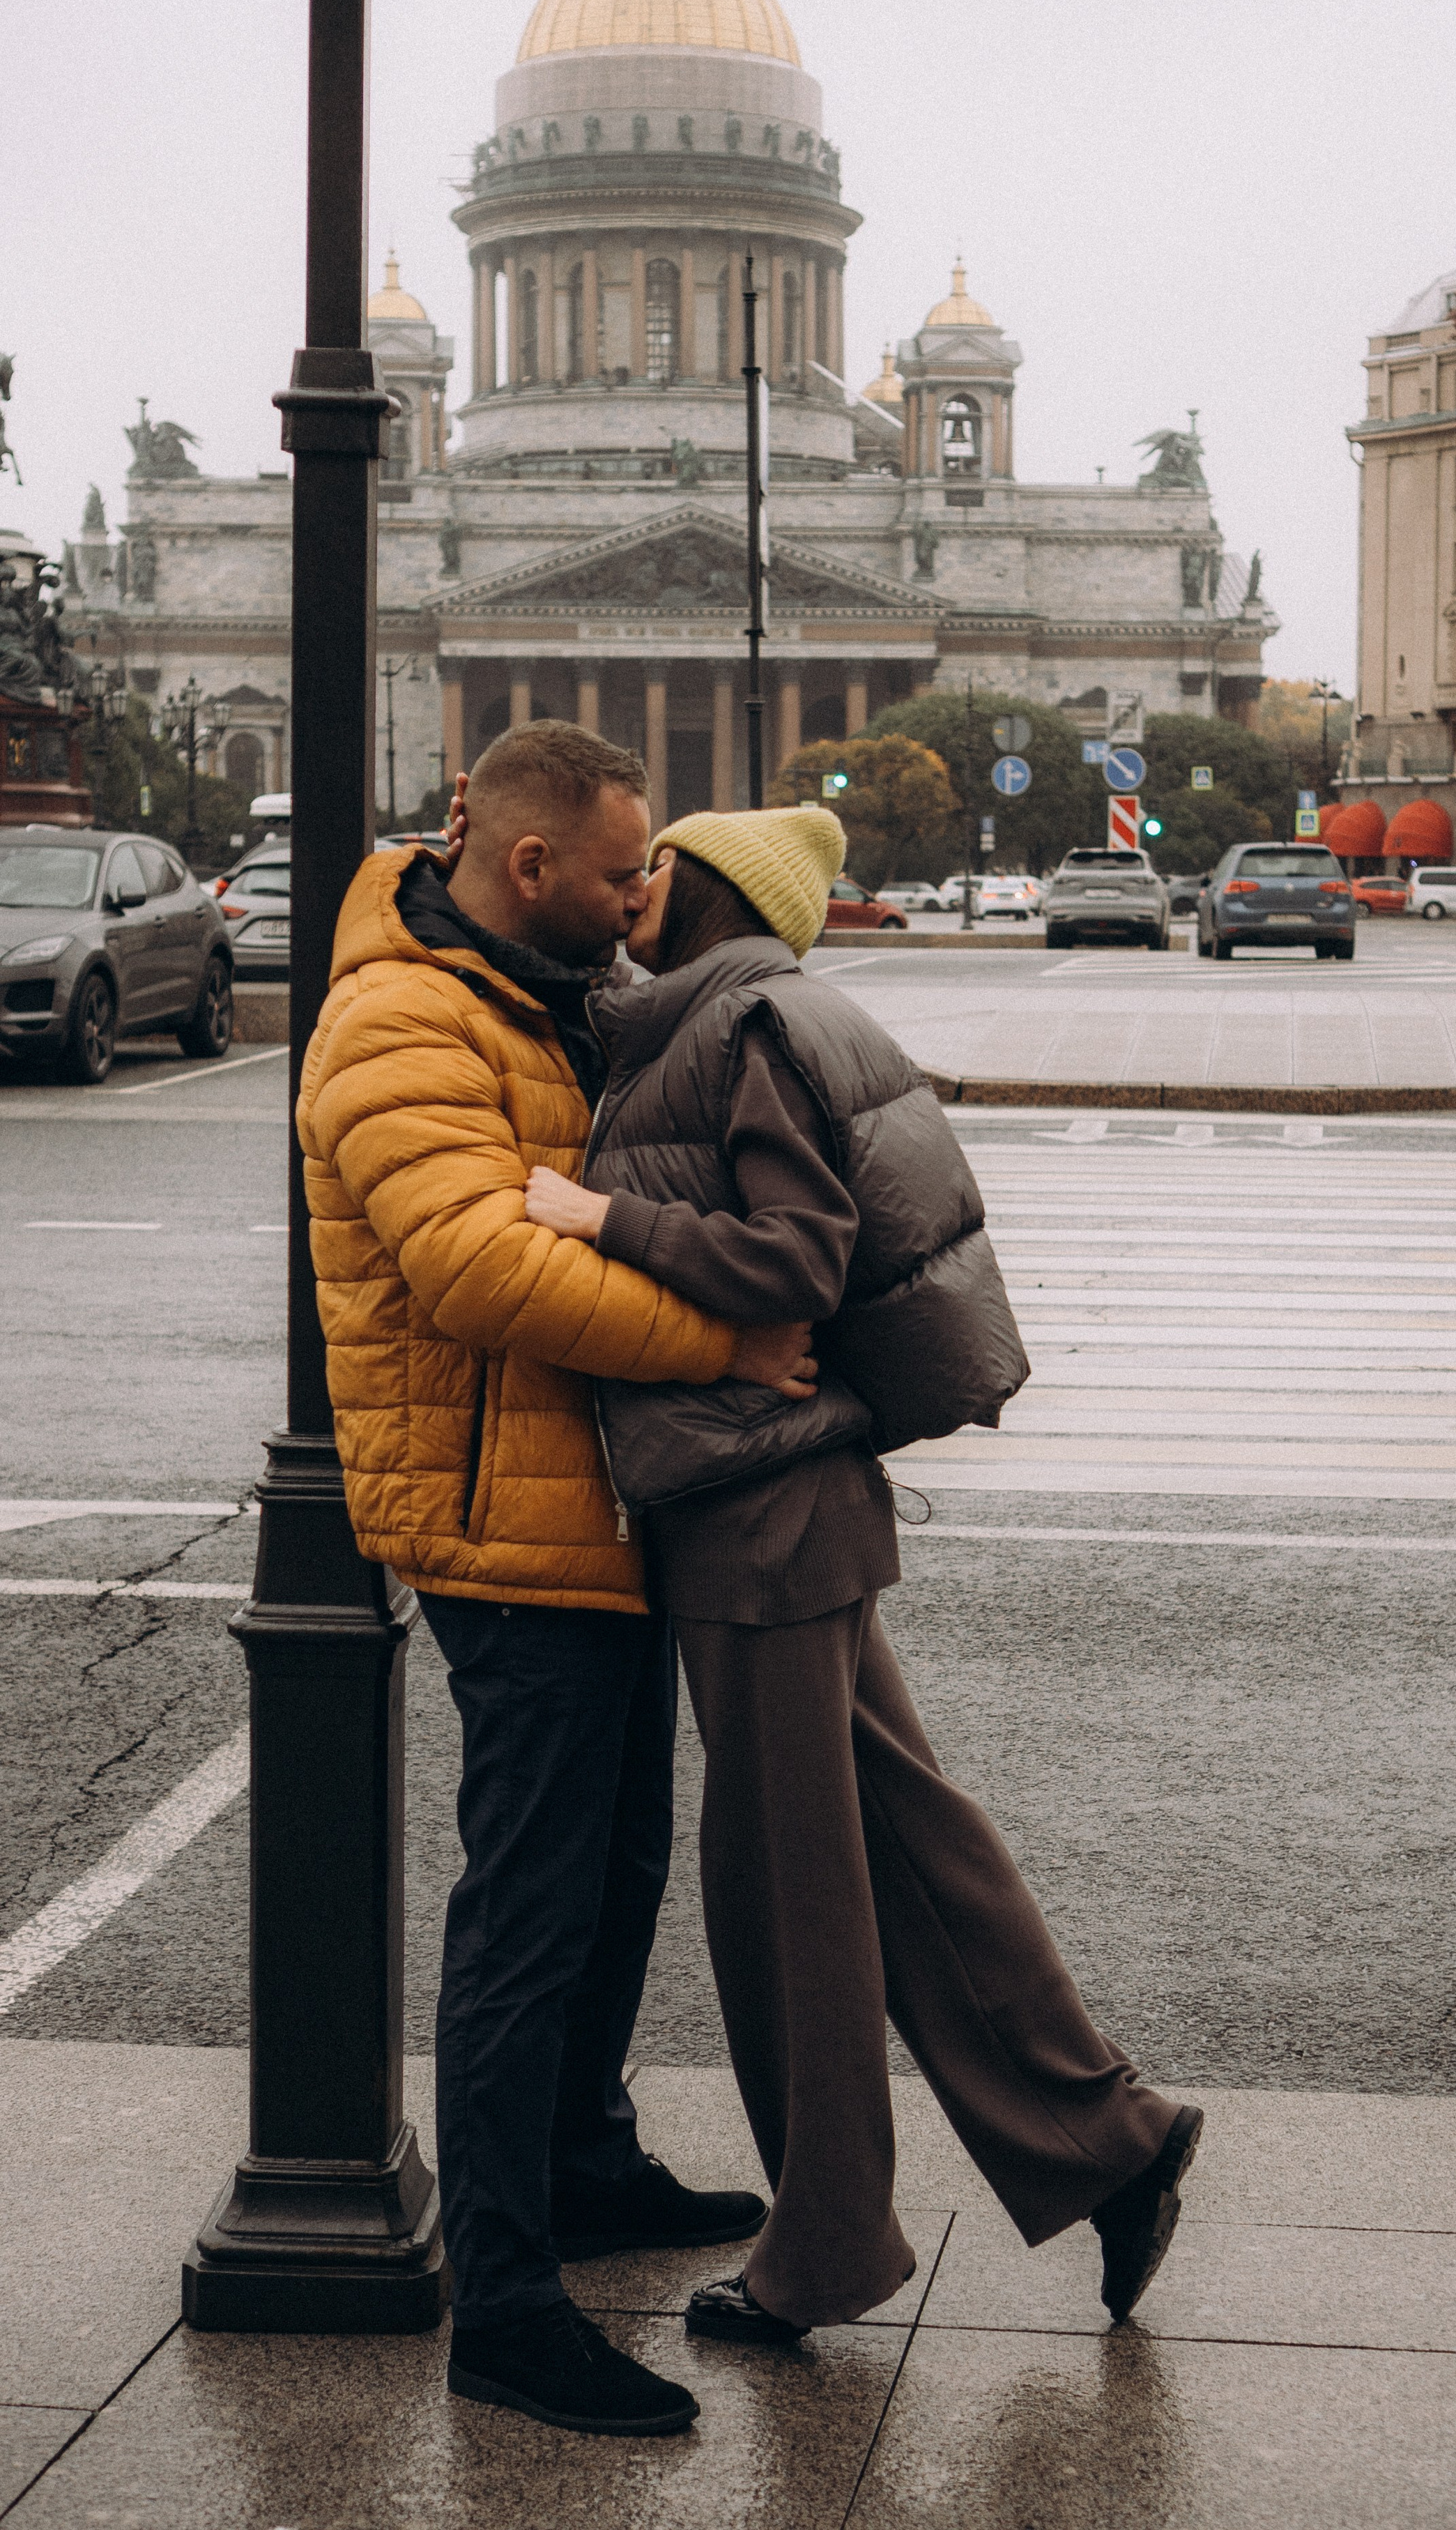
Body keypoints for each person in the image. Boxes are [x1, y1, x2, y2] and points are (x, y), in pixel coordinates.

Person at [521, 802, 1202, 2349]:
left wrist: (594, 1212)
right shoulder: (733, 1013)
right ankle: (1111, 2138)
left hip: (756, 1505)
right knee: (902, 1851)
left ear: (712, 890)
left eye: (656, 866)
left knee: (787, 1898)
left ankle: (823, 2246)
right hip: (783, 1503)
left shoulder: (745, 1022)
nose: (634, 886)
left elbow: (796, 1261)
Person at [297, 724, 820, 2440]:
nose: (637, 902)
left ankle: (584, 2167)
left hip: (585, 1501)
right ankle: (506, 2307)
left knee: (610, 1867)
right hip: (500, 1517)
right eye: (617, 875)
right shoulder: (400, 1016)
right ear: (529, 868)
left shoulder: (531, 987)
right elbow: (474, 1270)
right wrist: (728, 1339)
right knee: (526, 1913)